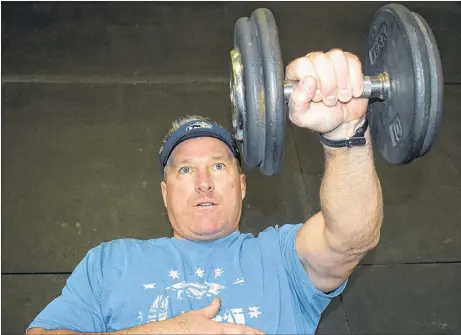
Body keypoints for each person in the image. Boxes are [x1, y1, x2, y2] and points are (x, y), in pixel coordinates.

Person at [27, 49, 383, 335]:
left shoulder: (279, 257)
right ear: (165, 194)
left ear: (241, 185)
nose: (203, 182)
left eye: (217, 165)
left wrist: (345, 132)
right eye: (185, 169)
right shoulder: (109, 263)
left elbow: (350, 237)